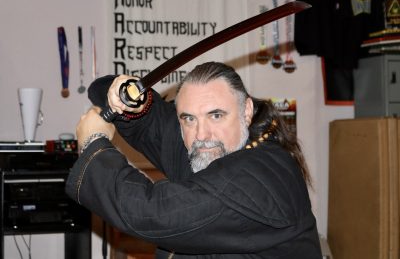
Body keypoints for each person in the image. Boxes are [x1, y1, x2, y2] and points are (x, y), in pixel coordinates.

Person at [65, 61, 322, 258]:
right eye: (188, 118)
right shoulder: (212, 147)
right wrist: (129, 98)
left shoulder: (259, 176)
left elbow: (153, 213)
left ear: (246, 112)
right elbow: (153, 123)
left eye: (216, 115)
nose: (201, 134)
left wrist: (93, 144)